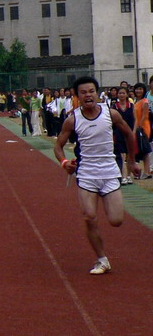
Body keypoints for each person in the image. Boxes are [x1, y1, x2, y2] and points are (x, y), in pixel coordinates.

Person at [54, 76, 139, 275]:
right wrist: (65, 162)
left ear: (97, 93)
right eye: (83, 92)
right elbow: (58, 146)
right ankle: (102, 259)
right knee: (89, 217)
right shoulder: (72, 120)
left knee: (116, 220)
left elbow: (129, 134)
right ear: (77, 96)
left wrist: (132, 161)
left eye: (91, 91)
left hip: (109, 172)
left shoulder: (111, 114)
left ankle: (106, 197)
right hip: (86, 174)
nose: (88, 95)